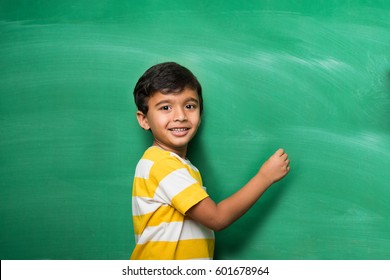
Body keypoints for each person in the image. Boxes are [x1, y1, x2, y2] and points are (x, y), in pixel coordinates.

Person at [130, 62, 290, 260]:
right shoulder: (161, 164)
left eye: (189, 106)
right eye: (165, 107)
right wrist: (265, 177)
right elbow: (217, 218)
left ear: (200, 112)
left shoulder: (178, 165)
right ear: (144, 119)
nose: (180, 116)